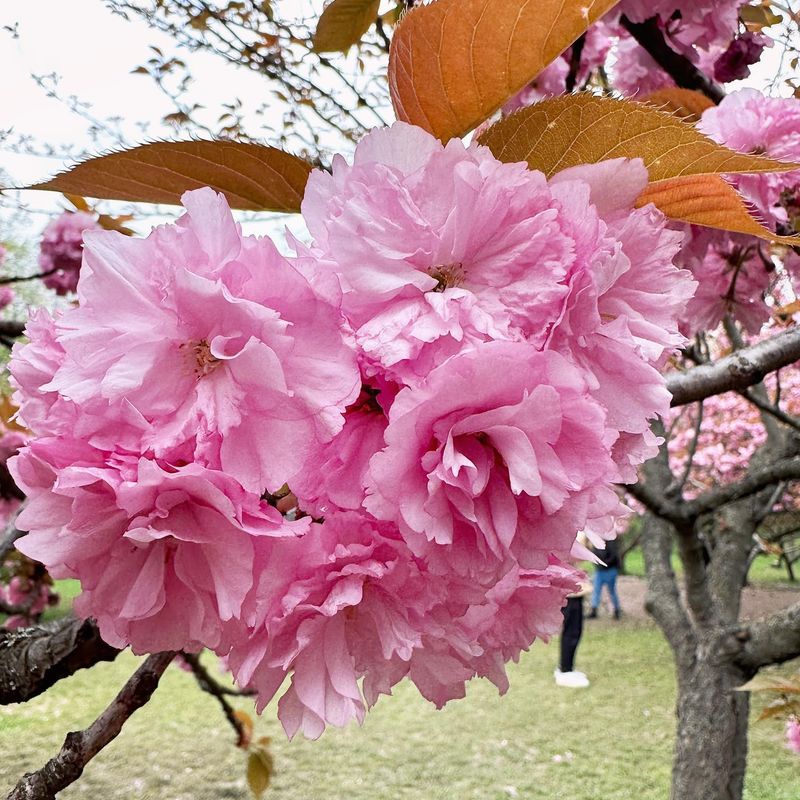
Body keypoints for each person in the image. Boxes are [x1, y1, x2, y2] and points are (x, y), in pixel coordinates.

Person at [554, 581, 590, 688]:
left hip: (573, 594)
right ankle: (565, 670)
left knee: (575, 631)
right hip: (569, 595)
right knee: (571, 633)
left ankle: (568, 667)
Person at [587, 538, 622, 620]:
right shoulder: (596, 543)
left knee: (611, 591)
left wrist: (604, 564)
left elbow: (613, 555)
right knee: (597, 590)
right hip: (600, 571)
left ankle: (616, 610)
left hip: (609, 570)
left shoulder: (610, 543)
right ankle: (594, 610)